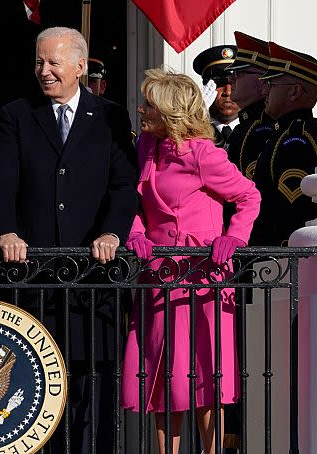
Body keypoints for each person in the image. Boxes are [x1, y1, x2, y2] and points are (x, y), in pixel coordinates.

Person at [0, 26, 137, 452]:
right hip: (35, 278)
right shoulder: (16, 114)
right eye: (39, 61)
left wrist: (112, 232)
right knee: (42, 389)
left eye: (53, 62)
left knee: (97, 383)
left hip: (95, 278)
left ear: (80, 67)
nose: (44, 71)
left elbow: (125, 185)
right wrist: (6, 230)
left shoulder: (110, 116)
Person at [122, 68, 260, 454]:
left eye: (149, 103)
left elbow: (250, 197)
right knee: (162, 375)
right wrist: (135, 231)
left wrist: (233, 237)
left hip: (201, 279)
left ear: (170, 110)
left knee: (203, 375)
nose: (142, 109)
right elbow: (133, 201)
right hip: (159, 275)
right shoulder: (147, 146)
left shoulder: (204, 154)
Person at [251, 42, 317, 246]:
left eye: (272, 84)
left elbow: (293, 210)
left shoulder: (296, 140)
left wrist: (281, 255)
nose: (264, 91)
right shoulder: (283, 133)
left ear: (294, 92)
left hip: (280, 261)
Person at [225, 32, 275, 180]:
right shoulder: (246, 126)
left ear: (262, 80)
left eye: (239, 72)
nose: (230, 79)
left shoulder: (264, 128)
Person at [193, 45, 240, 150]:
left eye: (234, 84)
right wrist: (194, 119)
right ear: (206, 86)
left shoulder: (258, 130)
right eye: (220, 83)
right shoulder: (192, 132)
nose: (228, 92)